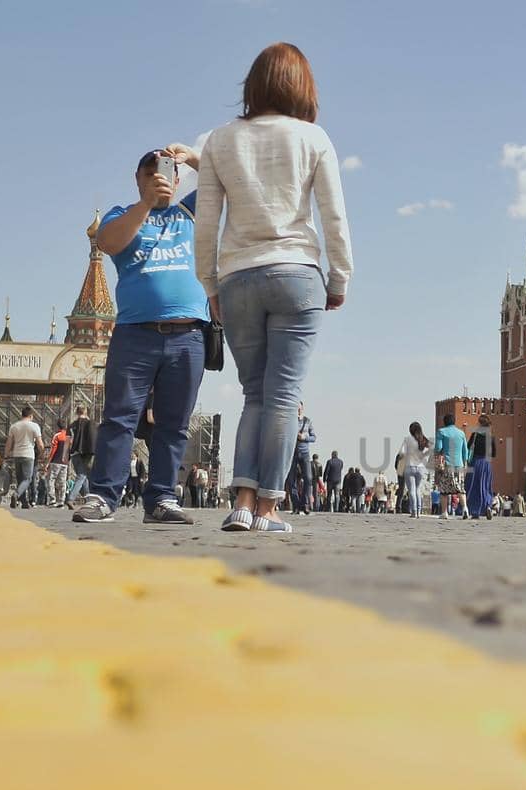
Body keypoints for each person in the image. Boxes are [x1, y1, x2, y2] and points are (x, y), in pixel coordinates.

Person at [197, 43, 353, 534]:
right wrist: (339, 278)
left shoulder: (221, 140)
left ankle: (241, 502)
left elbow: (206, 224)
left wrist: (210, 283)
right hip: (297, 274)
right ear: (302, 87)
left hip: (239, 277)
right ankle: (268, 508)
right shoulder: (313, 138)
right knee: (284, 396)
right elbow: (333, 218)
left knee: (255, 394)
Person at [72, 142, 208, 526]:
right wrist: (146, 205)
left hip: (188, 335)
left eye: (164, 172)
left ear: (178, 178)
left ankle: (162, 497)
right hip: (136, 334)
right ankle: (103, 496)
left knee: (174, 422)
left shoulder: (191, 212)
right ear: (137, 181)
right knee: (119, 418)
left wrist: (195, 159)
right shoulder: (123, 214)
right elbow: (108, 242)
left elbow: (232, 183)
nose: (158, 179)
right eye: (149, 174)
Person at [6, 407, 44, 509]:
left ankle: (24, 502)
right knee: (27, 479)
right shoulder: (34, 426)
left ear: (21, 415)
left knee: (20, 479)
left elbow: (9, 442)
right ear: (31, 416)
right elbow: (40, 443)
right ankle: (16, 494)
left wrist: (7, 453)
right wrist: (41, 452)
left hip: (17, 454)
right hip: (28, 455)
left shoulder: (14, 426)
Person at [434, 414, 469, 520]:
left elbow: (438, 448)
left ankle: (444, 513)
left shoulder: (441, 432)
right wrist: (465, 463)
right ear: (454, 421)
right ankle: (465, 509)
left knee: (444, 490)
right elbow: (465, 451)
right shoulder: (461, 433)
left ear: (445, 422)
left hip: (447, 465)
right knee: (460, 489)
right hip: (459, 464)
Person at [466, 414, 496, 519]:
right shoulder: (491, 437)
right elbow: (494, 454)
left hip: (475, 463)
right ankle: (488, 506)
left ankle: (475, 511)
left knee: (473, 486)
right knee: (486, 486)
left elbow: (468, 447)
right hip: (486, 464)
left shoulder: (475, 435)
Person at [399, 422, 431, 518]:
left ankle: (414, 511)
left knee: (411, 490)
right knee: (418, 489)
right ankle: (419, 511)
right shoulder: (424, 440)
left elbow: (401, 453)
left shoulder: (407, 439)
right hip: (421, 467)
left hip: (410, 466)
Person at [290, 403, 316, 515]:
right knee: (291, 479)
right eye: (296, 408)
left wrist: (304, 437)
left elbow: (314, 437)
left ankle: (305, 504)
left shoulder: (308, 421)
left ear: (302, 409)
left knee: (308, 478)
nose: (298, 410)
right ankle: (296, 505)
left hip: (305, 452)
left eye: (300, 408)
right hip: (292, 452)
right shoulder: (290, 421)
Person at [68, 406, 96, 501]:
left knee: (83, 477)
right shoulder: (90, 424)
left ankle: (88, 500)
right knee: (82, 476)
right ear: (86, 412)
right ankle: (71, 498)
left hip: (74, 454)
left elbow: (68, 442)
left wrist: (65, 455)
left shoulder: (72, 425)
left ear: (76, 412)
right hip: (87, 453)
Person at [44, 423, 70, 508]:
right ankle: (61, 500)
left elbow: (53, 450)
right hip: (65, 463)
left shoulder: (57, 436)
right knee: (62, 482)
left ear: (58, 426)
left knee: (51, 480)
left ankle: (52, 500)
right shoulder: (68, 436)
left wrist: (48, 462)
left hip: (55, 461)